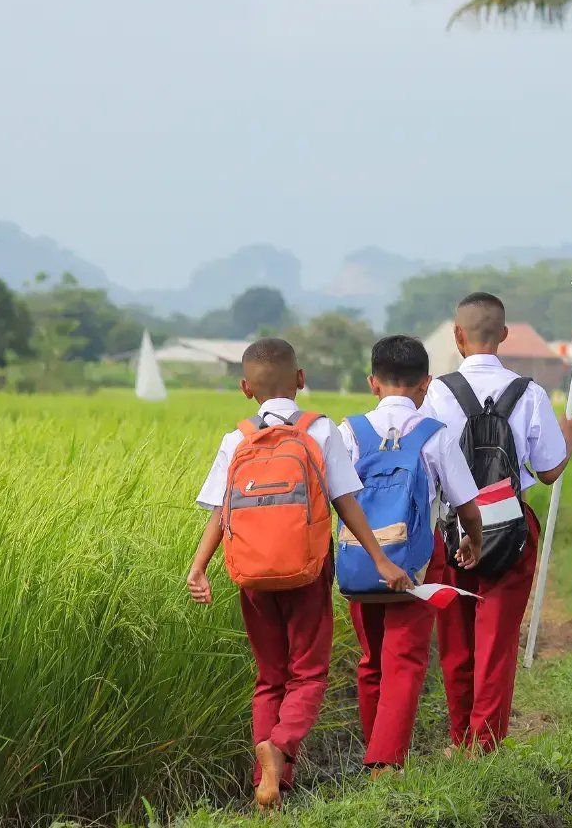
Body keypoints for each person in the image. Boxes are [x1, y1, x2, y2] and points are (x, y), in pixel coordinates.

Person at [184, 337, 414, 809]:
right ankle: (282, 745)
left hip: (250, 576)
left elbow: (220, 510)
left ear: (246, 388)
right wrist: (381, 559)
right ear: (301, 379)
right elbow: (346, 501)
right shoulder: (320, 430)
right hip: (307, 573)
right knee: (308, 674)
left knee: (270, 678)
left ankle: (267, 783)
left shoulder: (237, 438)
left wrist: (199, 567)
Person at [422, 292, 572, 752]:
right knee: (496, 641)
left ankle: (459, 737)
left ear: (457, 336)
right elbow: (549, 471)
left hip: (453, 527)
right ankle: (484, 744)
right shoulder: (529, 393)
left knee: (455, 640)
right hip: (512, 530)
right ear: (505, 336)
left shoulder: (435, 392)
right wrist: (570, 438)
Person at [336, 335, 485, 772]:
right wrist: (471, 540)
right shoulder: (432, 436)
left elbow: (337, 495)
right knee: (405, 658)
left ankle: (376, 746)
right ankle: (385, 760)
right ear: (426, 384)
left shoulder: (349, 432)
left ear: (373, 383)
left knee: (371, 659)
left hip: (360, 555)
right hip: (418, 559)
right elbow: (466, 506)